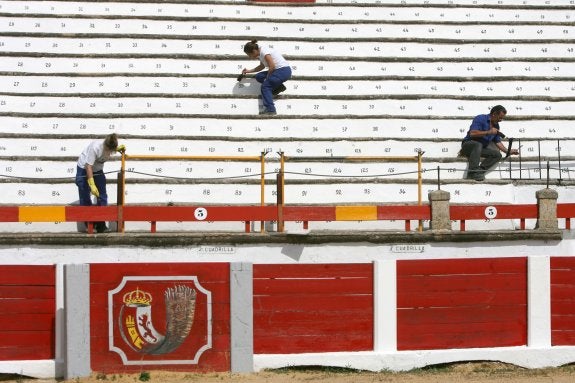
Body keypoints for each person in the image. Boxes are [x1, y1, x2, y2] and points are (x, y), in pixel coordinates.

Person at [75, 133, 125, 232]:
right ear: (105, 145)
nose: (109, 153)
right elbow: (88, 166)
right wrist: (92, 184)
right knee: (85, 196)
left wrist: (118, 149)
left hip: (98, 170)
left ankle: (101, 225)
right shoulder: (95, 147)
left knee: (102, 196)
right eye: (108, 150)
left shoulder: (111, 147)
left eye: (111, 151)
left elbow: (113, 148)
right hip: (84, 169)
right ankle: (89, 225)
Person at [460, 105, 519, 181]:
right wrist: (489, 132)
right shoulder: (480, 118)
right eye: (500, 117)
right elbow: (472, 133)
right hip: (468, 145)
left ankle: (479, 171)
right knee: (478, 144)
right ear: (494, 114)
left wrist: (508, 151)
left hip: (480, 149)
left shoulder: (496, 126)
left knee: (497, 155)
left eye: (502, 118)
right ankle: (472, 172)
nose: (501, 120)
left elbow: (498, 142)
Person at [242, 40, 292, 115]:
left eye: (249, 55)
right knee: (259, 76)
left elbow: (272, 66)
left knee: (265, 86)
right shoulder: (260, 54)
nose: (250, 57)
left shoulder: (264, 52)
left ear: (254, 51)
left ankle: (271, 110)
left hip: (283, 71)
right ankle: (279, 87)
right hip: (278, 71)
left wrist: (267, 78)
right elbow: (261, 66)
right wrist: (248, 71)